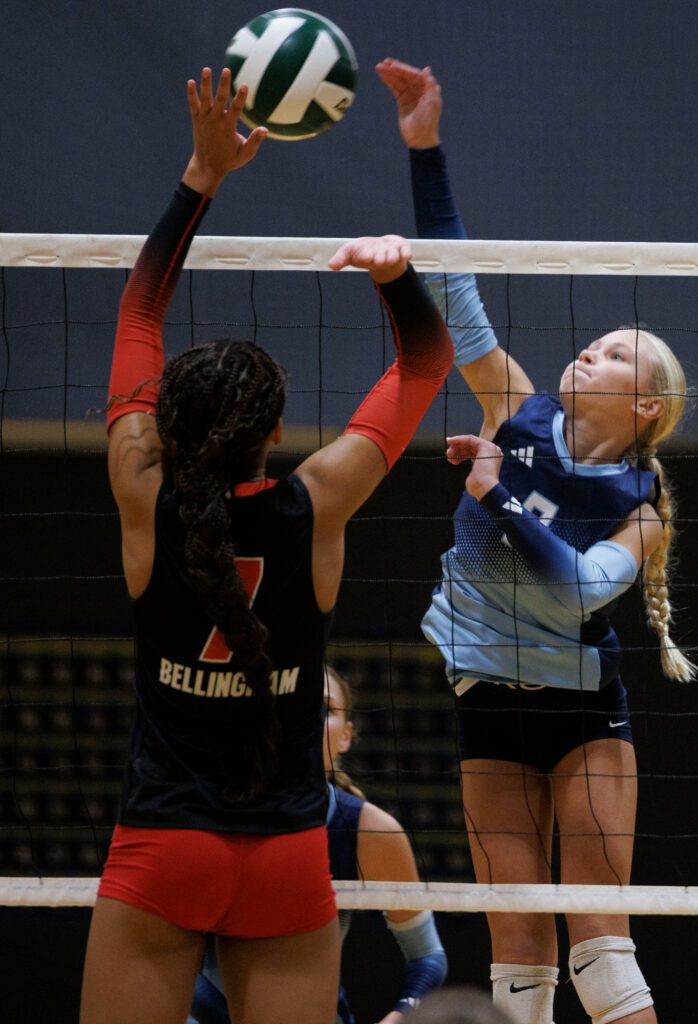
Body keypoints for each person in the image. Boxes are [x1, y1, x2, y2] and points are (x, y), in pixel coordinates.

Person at [79, 67, 453, 1024]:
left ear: (166, 421)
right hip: (286, 851)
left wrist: (202, 175)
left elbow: (139, 314)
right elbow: (427, 357)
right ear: (271, 431)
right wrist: (394, 275)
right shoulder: (316, 501)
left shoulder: (139, 486)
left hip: (163, 845)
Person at [377, 57, 697, 1024]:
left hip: (581, 716)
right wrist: (425, 149)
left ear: (643, 406)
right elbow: (458, 291)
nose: (584, 353)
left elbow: (578, 595)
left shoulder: (643, 508)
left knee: (602, 954)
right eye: (589, 342)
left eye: (609, 355)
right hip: (486, 702)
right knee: (517, 961)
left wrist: (500, 494)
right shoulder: (516, 408)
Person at [189, 666, 448, 1024]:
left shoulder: (369, 831)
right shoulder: (197, 816)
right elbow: (167, 958)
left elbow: (428, 957)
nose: (308, 720)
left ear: (346, 736)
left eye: (325, 710)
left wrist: (400, 1015)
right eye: (291, 706)